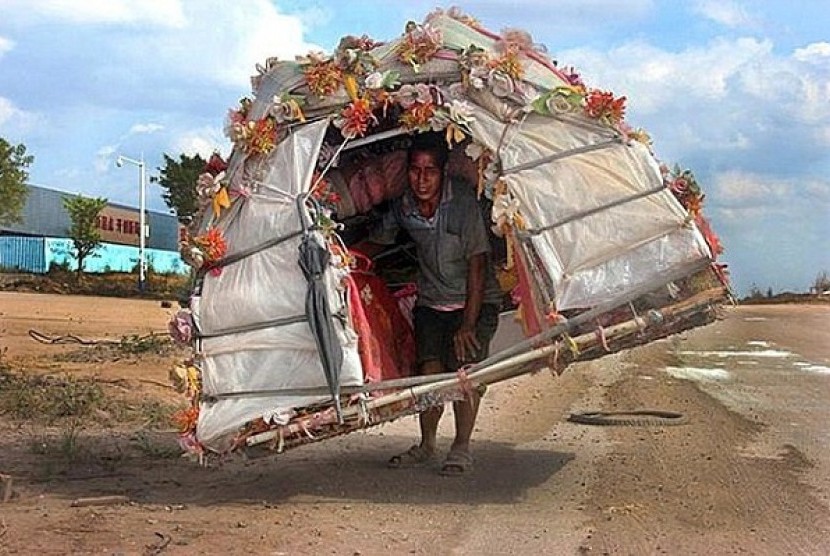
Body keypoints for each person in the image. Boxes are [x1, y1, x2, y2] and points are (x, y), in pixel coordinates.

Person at [356, 134, 502, 476]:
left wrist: (468, 324)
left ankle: (462, 446)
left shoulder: (463, 202)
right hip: (431, 301)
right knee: (429, 373)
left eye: (430, 172)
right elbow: (379, 240)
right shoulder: (404, 205)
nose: (422, 180)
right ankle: (427, 444)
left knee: (465, 373)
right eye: (415, 170)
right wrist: (347, 258)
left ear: (444, 172)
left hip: (474, 301)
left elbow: (478, 265)